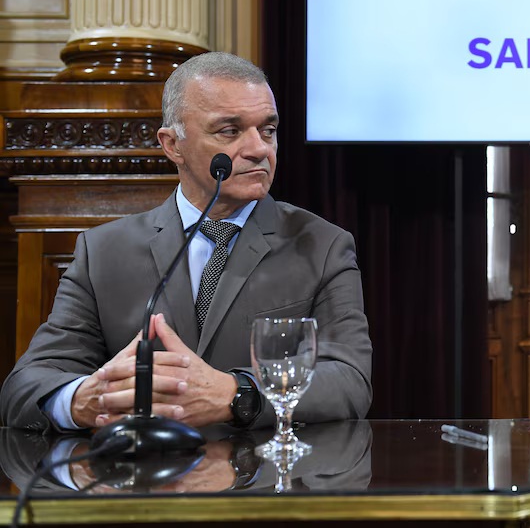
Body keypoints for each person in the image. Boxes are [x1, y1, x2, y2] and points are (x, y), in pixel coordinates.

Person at [1, 52, 372, 432]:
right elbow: (27, 386)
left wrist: (236, 394)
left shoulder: (322, 246)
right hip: (142, 466)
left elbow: (349, 381)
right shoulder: (103, 253)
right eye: (229, 131)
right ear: (172, 144)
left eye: (268, 130)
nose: (259, 149)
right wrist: (85, 400)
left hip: (262, 466)